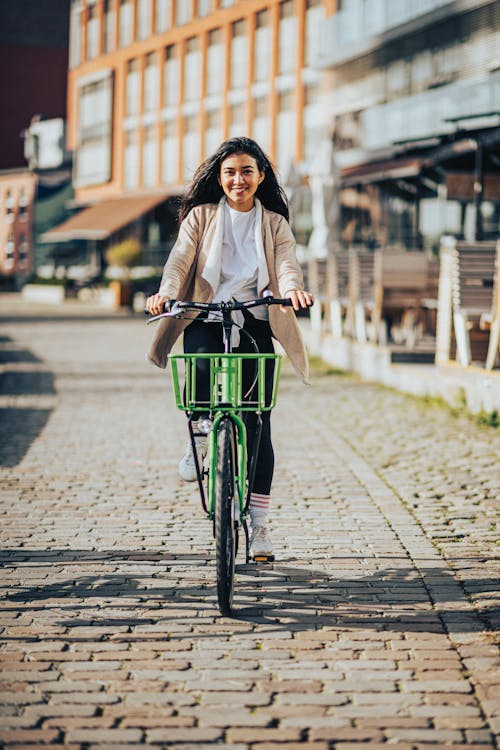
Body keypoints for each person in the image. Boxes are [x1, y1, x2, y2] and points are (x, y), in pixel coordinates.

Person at [146, 136, 313, 560]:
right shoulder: (201, 217)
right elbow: (179, 261)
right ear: (219, 178)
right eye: (229, 172)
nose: (238, 179)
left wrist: (293, 291)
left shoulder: (274, 222)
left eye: (246, 172)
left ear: (260, 177)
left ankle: (258, 528)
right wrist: (165, 294)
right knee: (198, 368)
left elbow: (288, 263)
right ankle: (199, 436)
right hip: (204, 313)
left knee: (258, 424)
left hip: (255, 319)